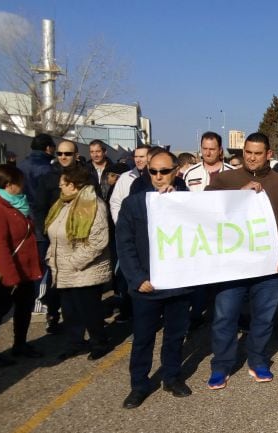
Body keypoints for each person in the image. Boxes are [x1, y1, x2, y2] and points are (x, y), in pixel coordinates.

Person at [205, 132, 278, 386]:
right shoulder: (225, 180)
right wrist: (238, 195)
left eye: (257, 153)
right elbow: (204, 210)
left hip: (268, 268)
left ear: (269, 155)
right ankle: (221, 365)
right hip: (231, 267)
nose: (251, 158)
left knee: (263, 317)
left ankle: (258, 360)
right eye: (247, 152)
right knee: (225, 317)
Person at [116, 151, 193, 409]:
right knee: (143, 338)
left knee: (175, 336)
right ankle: (139, 384)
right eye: (153, 171)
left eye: (164, 171)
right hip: (146, 286)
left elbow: (203, 231)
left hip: (177, 286)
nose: (158, 177)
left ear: (175, 172)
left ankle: (171, 377)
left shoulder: (186, 202)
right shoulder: (133, 203)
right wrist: (137, 278)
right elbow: (124, 245)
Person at [45, 165, 112, 360]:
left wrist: (74, 262)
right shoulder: (62, 204)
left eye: (63, 185)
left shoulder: (93, 205)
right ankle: (74, 342)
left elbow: (98, 240)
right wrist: (52, 256)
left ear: (74, 185)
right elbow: (54, 234)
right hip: (63, 267)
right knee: (70, 310)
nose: (61, 189)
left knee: (88, 309)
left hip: (85, 269)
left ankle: (99, 341)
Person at [0, 165, 43, 367]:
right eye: (20, 181)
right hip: (7, 274)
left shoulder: (17, 204)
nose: (23, 185)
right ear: (9, 185)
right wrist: (10, 276)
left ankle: (20, 344)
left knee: (24, 308)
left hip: (25, 269)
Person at [33, 140, 82, 334]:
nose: (63, 157)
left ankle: (79, 317)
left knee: (80, 279)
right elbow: (39, 207)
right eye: (60, 153)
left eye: (67, 154)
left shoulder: (85, 176)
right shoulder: (48, 177)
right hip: (55, 237)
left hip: (79, 235)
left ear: (75, 154)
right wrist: (46, 230)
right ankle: (53, 314)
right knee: (56, 278)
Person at [110, 145, 151, 223]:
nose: (138, 160)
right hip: (129, 227)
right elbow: (115, 202)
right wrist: (120, 223)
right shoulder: (125, 177)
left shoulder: (157, 177)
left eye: (142, 157)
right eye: (136, 157)